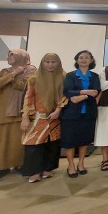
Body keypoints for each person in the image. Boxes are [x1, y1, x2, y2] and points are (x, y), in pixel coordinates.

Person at [0, 49, 36, 179]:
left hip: (20, 110)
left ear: (20, 57)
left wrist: (11, 79)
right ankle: (2, 166)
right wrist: (15, 73)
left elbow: (23, 86)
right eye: (8, 55)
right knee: (0, 140)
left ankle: (19, 164)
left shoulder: (31, 70)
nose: (8, 57)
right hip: (2, 110)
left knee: (17, 141)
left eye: (11, 55)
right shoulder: (5, 71)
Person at [20, 53, 66, 183]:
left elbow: (65, 95)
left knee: (52, 144)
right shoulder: (34, 78)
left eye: (53, 62)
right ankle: (34, 171)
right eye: (47, 62)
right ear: (42, 63)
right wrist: (25, 117)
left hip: (54, 117)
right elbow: (28, 98)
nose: (50, 65)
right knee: (33, 145)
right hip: (37, 118)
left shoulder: (63, 76)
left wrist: (58, 110)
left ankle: (47, 169)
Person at [60, 50, 101, 178]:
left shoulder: (94, 76)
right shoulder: (70, 75)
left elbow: (96, 91)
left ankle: (81, 163)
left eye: (87, 57)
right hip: (71, 114)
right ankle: (71, 165)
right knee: (70, 141)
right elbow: (68, 91)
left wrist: (81, 96)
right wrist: (86, 92)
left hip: (88, 113)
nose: (83, 60)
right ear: (77, 60)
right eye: (81, 57)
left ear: (91, 60)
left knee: (84, 140)